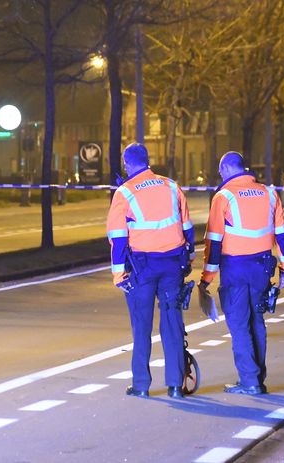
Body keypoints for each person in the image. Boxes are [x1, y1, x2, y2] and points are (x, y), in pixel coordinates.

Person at [198, 151, 284, 395]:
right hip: (262, 268)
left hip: (235, 269)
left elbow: (214, 242)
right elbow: (282, 235)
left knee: (239, 324)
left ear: (228, 169)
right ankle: (258, 378)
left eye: (221, 170)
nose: (220, 175)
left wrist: (206, 279)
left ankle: (250, 381)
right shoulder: (270, 194)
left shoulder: (224, 196)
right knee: (257, 322)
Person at [106, 143, 195, 399]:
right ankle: (176, 385)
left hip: (142, 269)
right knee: (172, 323)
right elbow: (187, 227)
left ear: (127, 163)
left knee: (142, 326)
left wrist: (118, 273)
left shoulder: (124, 193)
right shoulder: (171, 186)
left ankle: (142, 385)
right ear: (147, 161)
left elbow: (118, 237)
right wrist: (188, 257)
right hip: (173, 266)